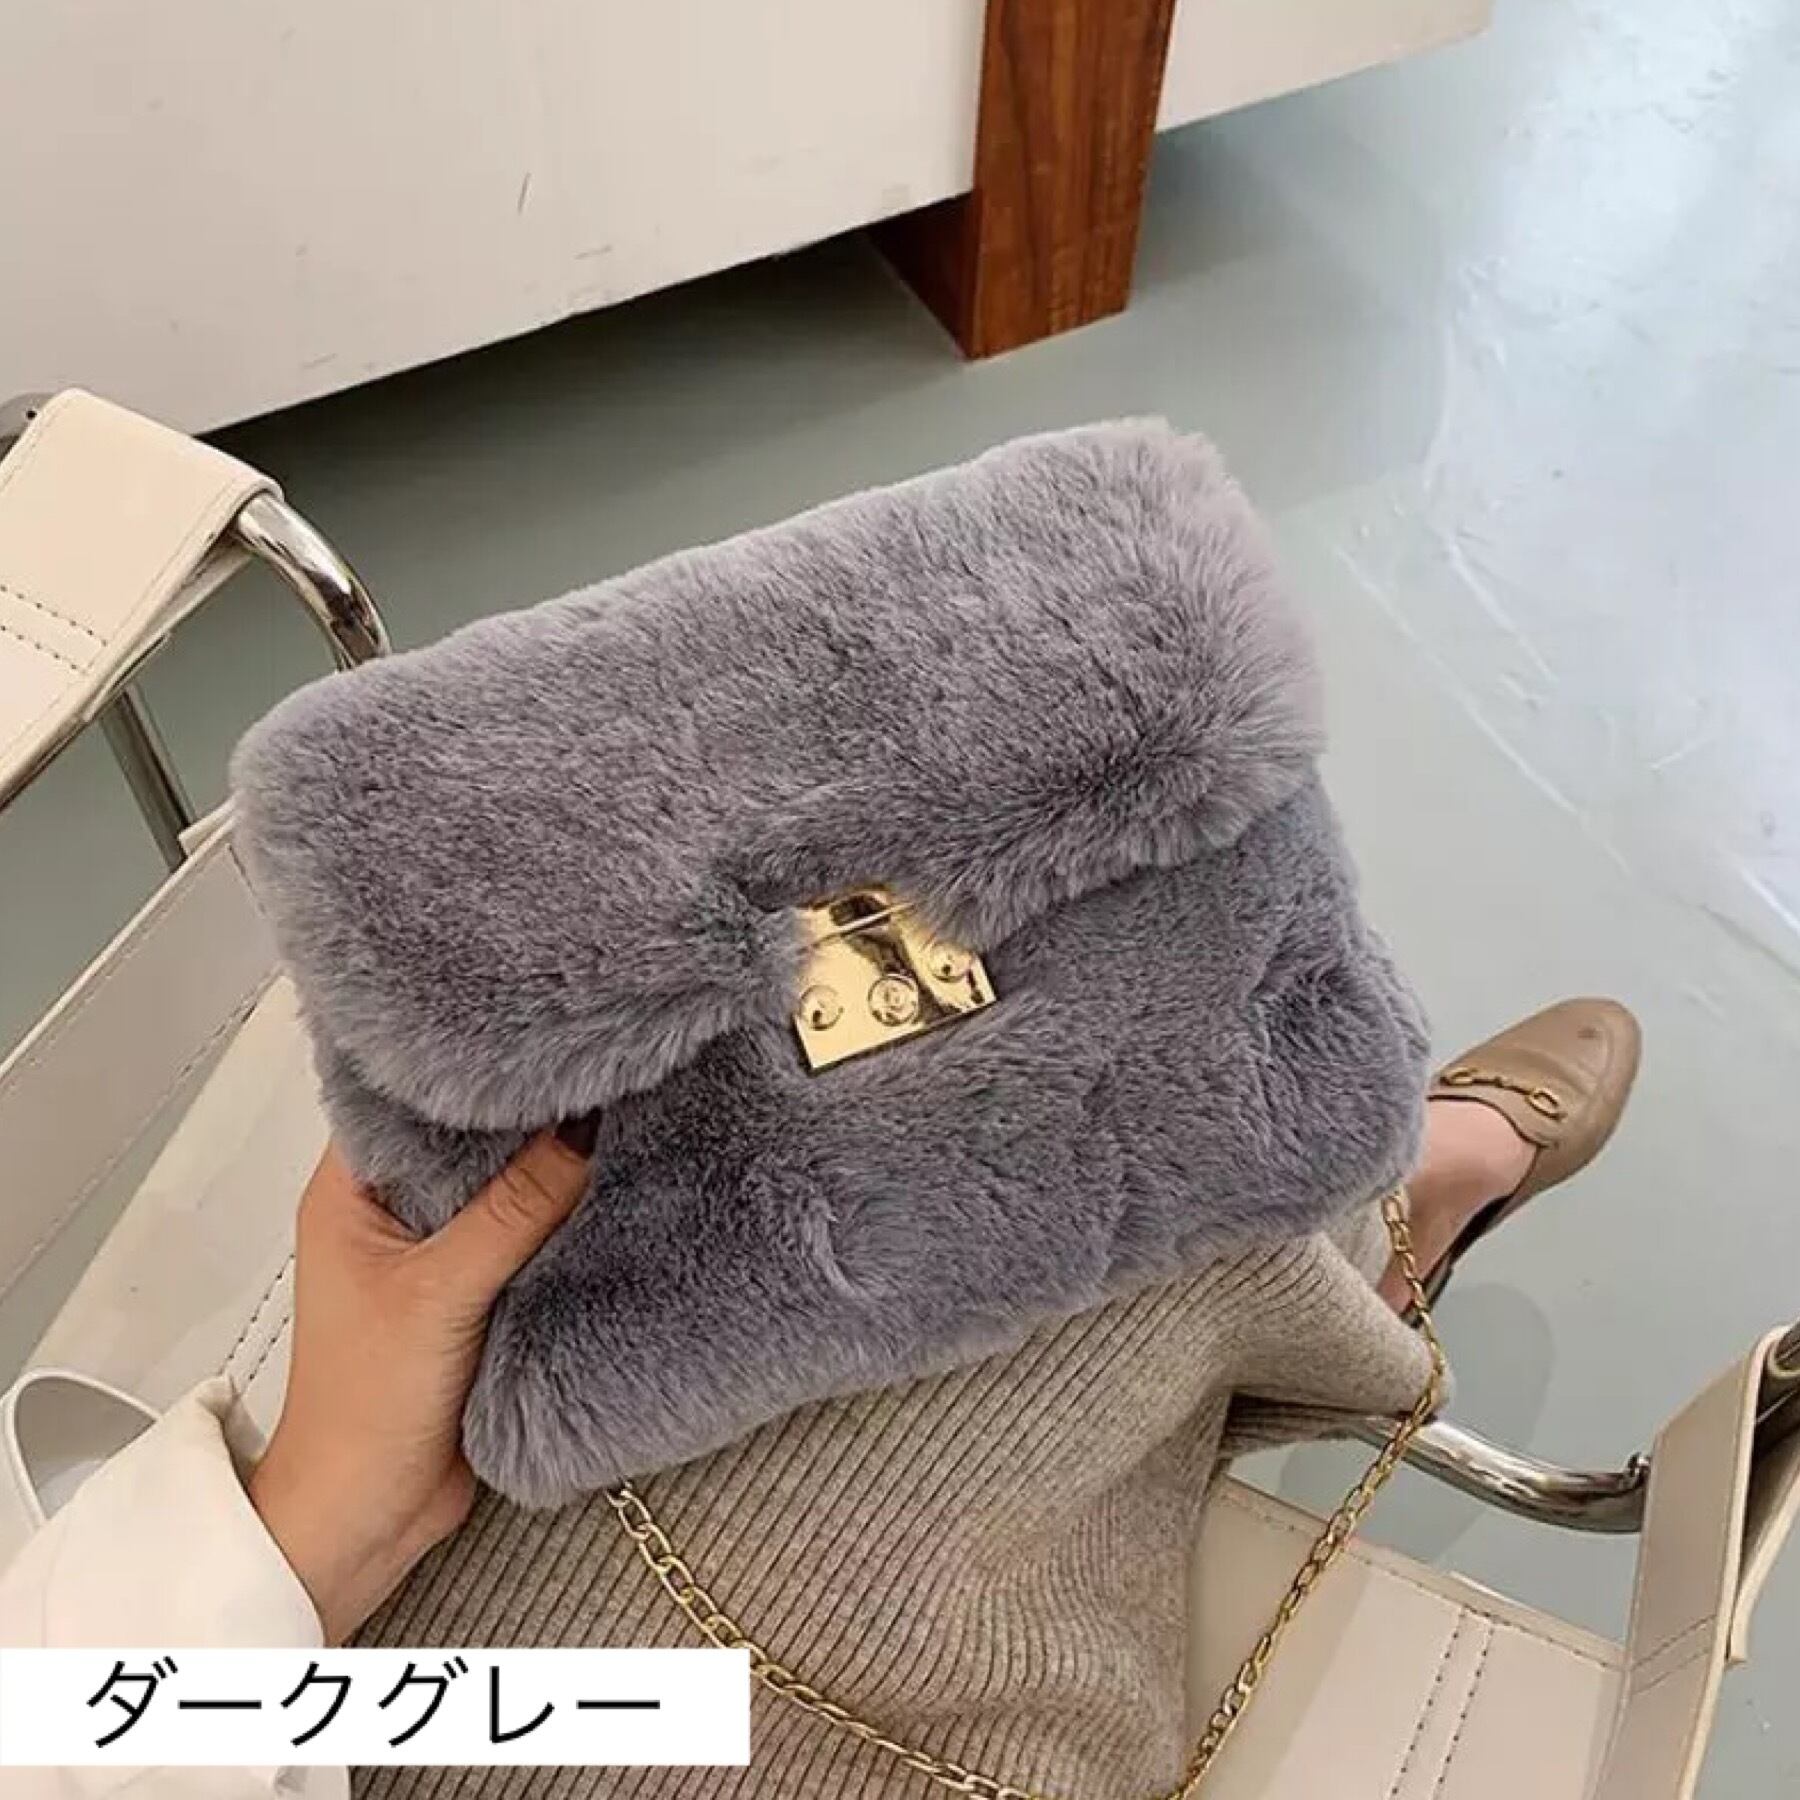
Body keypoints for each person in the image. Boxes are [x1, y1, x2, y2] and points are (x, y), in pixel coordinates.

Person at [0, 999, 1638, 1799]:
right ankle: (1393, 1207)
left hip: (295, 1716)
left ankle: (1348, 1206)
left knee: (818, 1129)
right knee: (1062, 1209)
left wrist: (310, 1534)